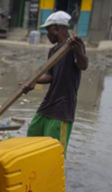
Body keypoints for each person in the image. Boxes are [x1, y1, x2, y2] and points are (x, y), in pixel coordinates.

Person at [22, 11, 88, 156]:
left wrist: (78, 51)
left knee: (54, 151)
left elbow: (83, 65)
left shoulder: (74, 45)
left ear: (57, 28)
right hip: (47, 104)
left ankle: (51, 176)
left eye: (48, 30)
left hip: (62, 108)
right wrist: (32, 80)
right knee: (32, 137)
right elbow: (50, 76)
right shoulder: (53, 51)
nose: (47, 34)